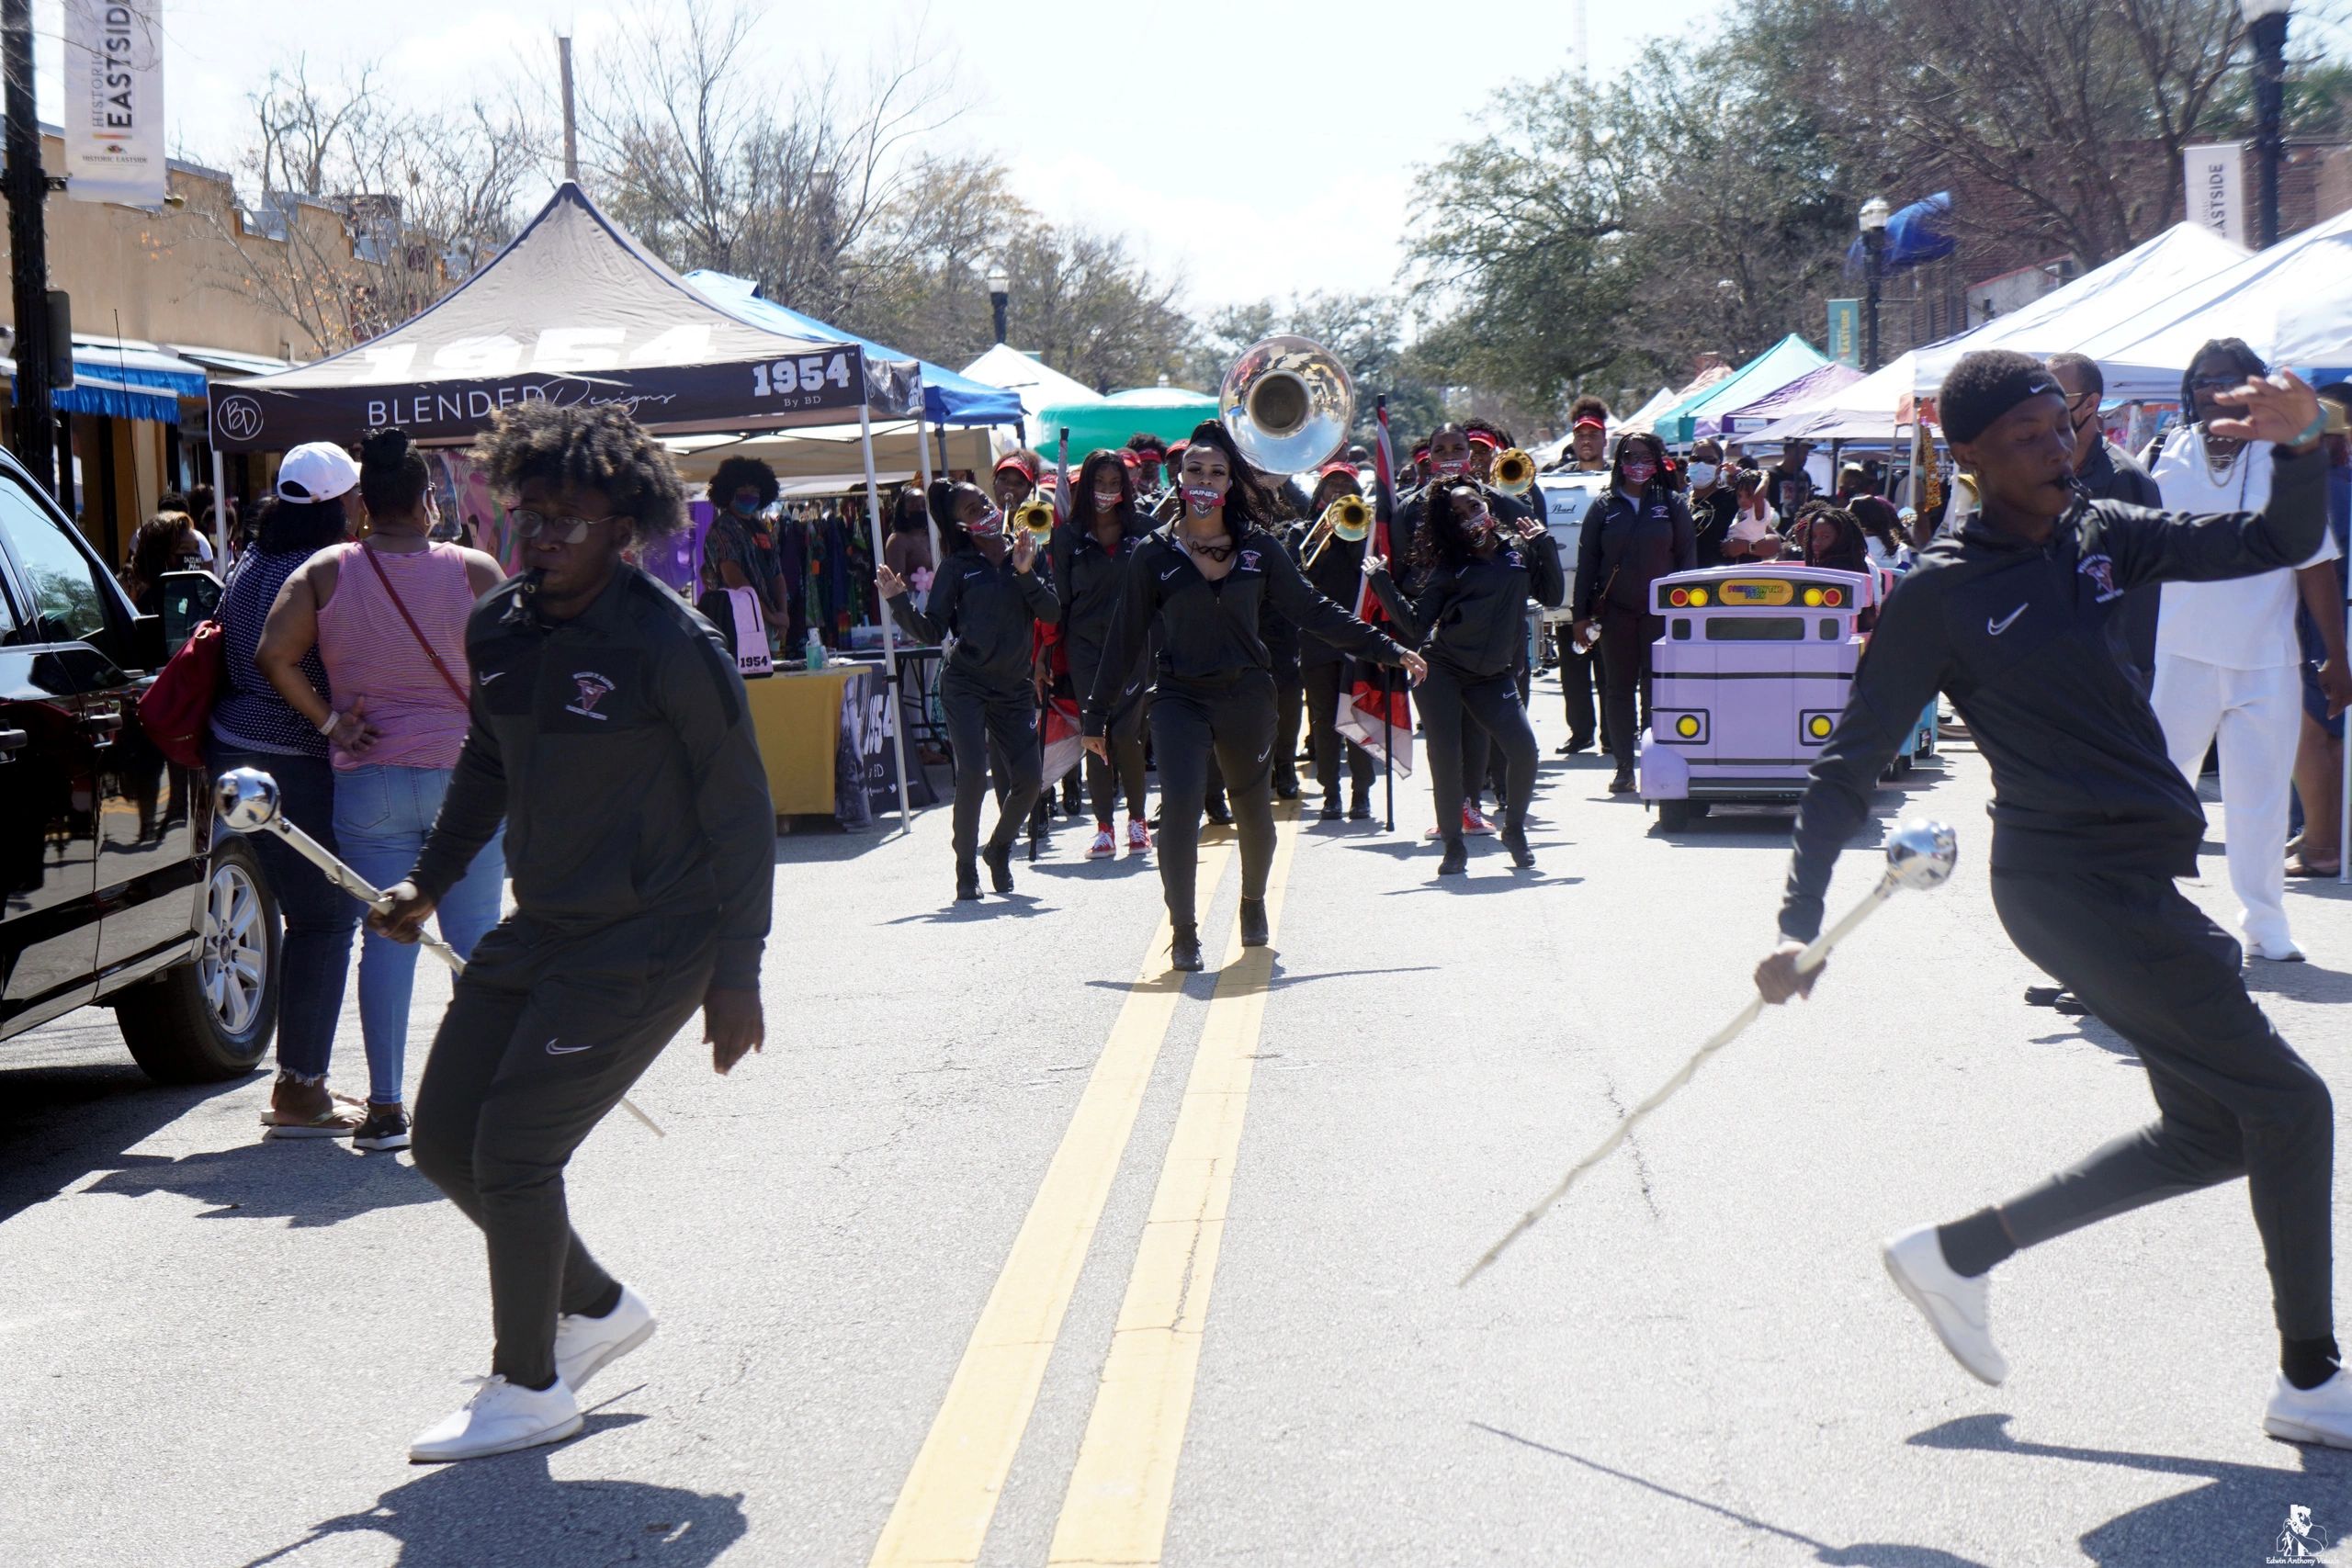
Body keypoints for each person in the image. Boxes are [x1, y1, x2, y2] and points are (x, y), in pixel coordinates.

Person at [1756, 349, 2352, 1450]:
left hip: (2132, 873)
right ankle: (2312, 1380)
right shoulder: (1940, 593)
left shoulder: (2098, 531)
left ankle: (1958, 1254)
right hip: (2065, 886)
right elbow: (1848, 764)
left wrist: (2303, 442)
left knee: (2212, 1133)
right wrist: (1799, 924)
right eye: (2026, 438)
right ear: (1968, 456)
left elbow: (2268, 543)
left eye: (2059, 427)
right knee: (2293, 1104)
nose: (2054, 449)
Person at [373, 401, 773, 1463]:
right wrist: (426, 881)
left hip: (651, 942)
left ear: (623, 528)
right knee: (443, 1140)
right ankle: (594, 1308)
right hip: (542, 926)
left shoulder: (669, 644)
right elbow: (488, 766)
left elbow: (740, 813)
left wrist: (738, 975)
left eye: (568, 520)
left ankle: (530, 1384)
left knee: (514, 1151)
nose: (541, 536)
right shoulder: (497, 627)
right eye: (528, 513)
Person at [1083, 421, 1425, 972]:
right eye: (1194, 469)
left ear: (1229, 483)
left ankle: (1251, 903)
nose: (1204, 479)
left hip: (1246, 696)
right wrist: (1094, 716)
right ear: (1179, 476)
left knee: (1252, 812)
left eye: (1216, 471)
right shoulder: (1154, 552)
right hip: (1178, 698)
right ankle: (1185, 930)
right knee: (1179, 812)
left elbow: (1313, 611)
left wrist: (1387, 648)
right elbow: (1124, 637)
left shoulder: (1259, 548)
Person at [253, 428, 507, 1154]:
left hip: (371, 782)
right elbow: (526, 661)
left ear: (363, 503)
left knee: (387, 939)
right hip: (467, 779)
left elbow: (274, 653)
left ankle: (387, 1108)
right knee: (475, 944)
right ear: (428, 502)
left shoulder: (329, 569)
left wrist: (332, 721)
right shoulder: (476, 569)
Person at [2148, 339, 2350, 963]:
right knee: (2161, 792)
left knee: (2259, 801)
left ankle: (2265, 922)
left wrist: (2337, 658)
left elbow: (2315, 564)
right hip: (2179, 654)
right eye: (2203, 379)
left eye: (2227, 379)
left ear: (2254, 387)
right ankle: (2147, 913)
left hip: (2268, 659)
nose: (2213, 390)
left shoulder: (2282, 461)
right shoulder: (2161, 455)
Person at [208, 445, 367, 1138]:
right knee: (326, 919)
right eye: (357, 496)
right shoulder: (320, 571)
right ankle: (300, 1089)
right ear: (341, 504)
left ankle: (300, 1079)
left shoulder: (248, 559)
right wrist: (334, 720)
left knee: (301, 915)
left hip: (231, 747)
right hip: (291, 756)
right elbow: (292, 664)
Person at [1366, 479, 1564, 872]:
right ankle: (1453, 845)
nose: (1469, 517)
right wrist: (1381, 581)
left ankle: (1515, 830)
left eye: (1473, 506)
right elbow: (1416, 625)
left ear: (1487, 506)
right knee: (1446, 755)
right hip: (1443, 670)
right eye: (1457, 516)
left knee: (1524, 750)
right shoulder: (1450, 568)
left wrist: (1543, 544)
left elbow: (1554, 598)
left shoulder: (1518, 554)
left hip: (1492, 675)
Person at [878, 480, 1058, 899]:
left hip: (1013, 688)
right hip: (965, 684)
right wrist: (898, 602)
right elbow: (931, 630)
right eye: (973, 510)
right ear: (960, 524)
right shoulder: (958, 567)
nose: (986, 511)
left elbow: (1051, 612)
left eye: (984, 502)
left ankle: (997, 850)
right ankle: (965, 867)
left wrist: (1027, 571)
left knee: (1030, 781)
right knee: (974, 775)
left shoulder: (1027, 550)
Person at [1571, 431, 1696, 794]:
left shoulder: (1672, 504)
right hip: (1616, 613)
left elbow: (1687, 561)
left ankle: (1655, 760)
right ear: (1619, 461)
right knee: (1618, 688)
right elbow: (1587, 562)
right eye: (1630, 456)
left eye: (1645, 457)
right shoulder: (1604, 506)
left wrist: (1686, 613)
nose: (1637, 464)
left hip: (1662, 615)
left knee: (1657, 689)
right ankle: (1624, 766)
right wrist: (1580, 615)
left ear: (1657, 461)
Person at [1052, 450, 1153, 858]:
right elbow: (1058, 602)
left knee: (1127, 735)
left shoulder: (1145, 531)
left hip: (1133, 646)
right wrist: (1045, 656)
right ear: (1084, 487)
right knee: (1094, 735)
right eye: (1099, 484)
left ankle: (1138, 821)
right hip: (1084, 649)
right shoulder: (1066, 537)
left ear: (1125, 489)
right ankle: (1104, 826)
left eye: (1114, 485)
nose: (1106, 492)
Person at [2046, 352, 2165, 688]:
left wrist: (2134, 681)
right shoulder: (2042, 472)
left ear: (2089, 405)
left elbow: (2140, 594)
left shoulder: (2127, 481)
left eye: (2055, 396)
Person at [2288, 383, 2352, 877]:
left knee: (2311, 738)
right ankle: (2323, 839)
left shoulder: (2319, 490)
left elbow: (2314, 570)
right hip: (2338, 625)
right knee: (2329, 739)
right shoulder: (2343, 485)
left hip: (2320, 629)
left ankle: (2322, 846)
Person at [1295, 463, 1382, 821]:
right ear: (1320, 493)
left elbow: (1371, 573)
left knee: (1358, 718)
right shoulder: (1303, 531)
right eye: (1332, 485)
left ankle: (1361, 793)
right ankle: (1330, 793)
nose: (1338, 491)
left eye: (1346, 484)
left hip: (1356, 636)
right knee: (1324, 721)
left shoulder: (1367, 530)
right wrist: (1321, 541)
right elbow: (1295, 577)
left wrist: (1351, 535)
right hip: (1317, 640)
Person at [699, 457, 789, 651]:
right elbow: (736, 580)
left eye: (755, 491)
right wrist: (772, 616)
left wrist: (782, 614)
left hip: (768, 620)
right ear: (728, 493)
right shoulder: (722, 529)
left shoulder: (762, 529)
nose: (750, 495)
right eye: (743, 490)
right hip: (737, 621)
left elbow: (777, 575)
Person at [118, 513, 197, 615]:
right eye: (184, 549)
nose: (194, 555)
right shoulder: (149, 606)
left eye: (196, 548)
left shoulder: (200, 597)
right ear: (162, 556)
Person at [1685, 439, 1736, 569]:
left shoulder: (1732, 498)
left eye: (1710, 460)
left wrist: (1748, 547)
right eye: (1695, 459)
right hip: (1685, 580)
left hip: (1721, 580)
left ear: (1720, 467)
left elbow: (1772, 540)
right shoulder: (1680, 502)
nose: (1701, 464)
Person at [1766, 439, 1816, 525]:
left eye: (1806, 454)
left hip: (1800, 527)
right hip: (1778, 528)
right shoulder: (1771, 475)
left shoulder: (1805, 476)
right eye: (1802, 452)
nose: (1805, 458)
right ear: (1788, 451)